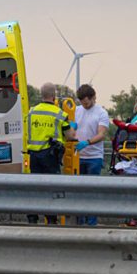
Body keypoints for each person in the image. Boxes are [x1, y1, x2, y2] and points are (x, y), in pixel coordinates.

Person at [26, 82, 78, 224]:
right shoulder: (59, 114)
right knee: (51, 188)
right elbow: (70, 136)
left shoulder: (32, 112)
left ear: (41, 95)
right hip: (50, 156)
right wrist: (72, 127)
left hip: (33, 156)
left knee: (35, 188)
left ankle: (32, 217)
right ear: (53, 95)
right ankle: (51, 219)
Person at [74, 84, 110, 226]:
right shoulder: (77, 111)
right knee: (80, 193)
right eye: (82, 104)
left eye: (87, 103)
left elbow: (101, 135)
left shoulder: (101, 113)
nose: (85, 106)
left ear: (93, 97)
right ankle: (81, 222)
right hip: (79, 156)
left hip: (94, 157)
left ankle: (92, 223)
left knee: (92, 192)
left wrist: (87, 142)